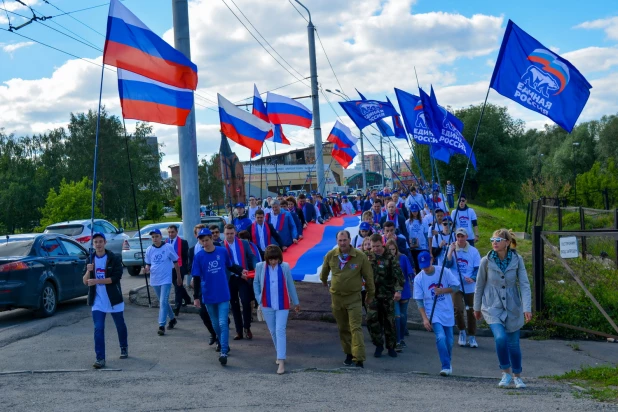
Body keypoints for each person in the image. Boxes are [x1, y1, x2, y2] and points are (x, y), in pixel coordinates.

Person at [474, 229, 532, 389]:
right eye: (492, 239)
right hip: (492, 305)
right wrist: (476, 307)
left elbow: (525, 285)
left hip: (513, 306)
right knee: (500, 338)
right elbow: (479, 285)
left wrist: (527, 308)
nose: (494, 242)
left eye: (498, 240)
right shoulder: (485, 261)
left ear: (507, 243)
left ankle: (517, 376)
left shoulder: (517, 259)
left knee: (513, 344)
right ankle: (506, 372)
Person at [192, 228, 246, 365]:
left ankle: (223, 351)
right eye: (202, 241)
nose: (205, 243)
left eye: (207, 240)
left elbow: (230, 265)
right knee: (215, 324)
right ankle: (222, 343)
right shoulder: (198, 257)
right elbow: (196, 278)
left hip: (223, 293)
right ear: (199, 241)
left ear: (212, 239)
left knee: (223, 322)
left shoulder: (221, 251)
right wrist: (196, 297)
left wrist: (241, 271)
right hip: (208, 294)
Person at [320, 230, 374, 368]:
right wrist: (325, 281)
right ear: (337, 242)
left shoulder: (360, 256)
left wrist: (370, 295)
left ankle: (359, 358)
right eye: (340, 241)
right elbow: (324, 273)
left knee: (355, 327)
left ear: (350, 240)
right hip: (337, 298)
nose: (342, 243)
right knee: (343, 328)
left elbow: (368, 277)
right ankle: (349, 354)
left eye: (345, 240)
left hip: (354, 298)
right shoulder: (331, 255)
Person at [253, 245, 300, 375]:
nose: (273, 262)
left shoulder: (285, 267)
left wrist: (296, 302)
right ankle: (280, 354)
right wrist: (259, 300)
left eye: (276, 259)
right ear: (267, 259)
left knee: (280, 330)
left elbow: (290, 284)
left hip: (283, 303)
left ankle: (281, 360)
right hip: (266, 304)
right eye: (271, 259)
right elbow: (256, 283)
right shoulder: (260, 266)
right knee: (273, 331)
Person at [83, 232, 127, 369]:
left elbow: (115, 278)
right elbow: (85, 281)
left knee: (120, 325)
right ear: (93, 244)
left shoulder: (113, 258)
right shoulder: (90, 259)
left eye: (100, 241)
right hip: (98, 301)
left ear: (105, 243)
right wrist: (88, 271)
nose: (98, 244)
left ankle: (124, 346)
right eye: (96, 242)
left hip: (113, 299)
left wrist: (97, 280)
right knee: (98, 328)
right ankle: (100, 358)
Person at [413, 251, 460, 376]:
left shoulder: (443, 271)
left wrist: (443, 290)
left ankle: (448, 363)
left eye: (427, 265)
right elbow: (419, 301)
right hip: (433, 312)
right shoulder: (419, 278)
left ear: (431, 260)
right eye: (422, 266)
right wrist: (425, 319)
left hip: (447, 310)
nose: (425, 268)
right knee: (441, 337)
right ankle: (445, 365)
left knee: (449, 341)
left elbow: (456, 286)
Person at [366, 234, 404, 358]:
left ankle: (391, 347)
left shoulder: (389, 257)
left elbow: (398, 276)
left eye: (377, 246)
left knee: (389, 322)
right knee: (372, 320)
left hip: (387, 295)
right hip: (373, 295)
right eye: (373, 246)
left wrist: (398, 291)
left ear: (382, 243)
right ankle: (378, 345)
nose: (375, 249)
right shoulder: (367, 257)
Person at [444, 228, 481, 348]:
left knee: (471, 310)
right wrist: (450, 251)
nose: (460, 239)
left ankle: (472, 335)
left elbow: (477, 268)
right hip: (456, 286)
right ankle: (462, 331)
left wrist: (473, 278)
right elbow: (447, 264)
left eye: (462, 236)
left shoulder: (473, 251)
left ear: (466, 237)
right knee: (457, 309)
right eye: (458, 236)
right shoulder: (452, 249)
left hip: (469, 287)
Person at [223, 224, 258, 340]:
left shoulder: (243, 243)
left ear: (235, 233)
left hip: (244, 277)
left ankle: (247, 327)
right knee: (234, 305)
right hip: (230, 278)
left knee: (246, 301)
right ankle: (239, 331)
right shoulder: (221, 246)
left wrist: (255, 267)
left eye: (231, 233)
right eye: (227, 233)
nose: (229, 236)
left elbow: (251, 256)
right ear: (224, 234)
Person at [144, 229, 182, 336]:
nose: (155, 239)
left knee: (163, 301)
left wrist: (179, 277)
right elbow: (148, 264)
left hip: (166, 279)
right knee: (164, 302)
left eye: (156, 236)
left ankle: (161, 325)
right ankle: (173, 319)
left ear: (161, 237)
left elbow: (176, 262)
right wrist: (146, 269)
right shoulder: (149, 250)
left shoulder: (168, 247)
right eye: (153, 237)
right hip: (155, 279)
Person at [189, 224, 217, 346]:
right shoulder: (192, 251)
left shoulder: (218, 247)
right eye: (200, 236)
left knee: (217, 314)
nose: (204, 241)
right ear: (196, 236)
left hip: (215, 284)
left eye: (206, 238)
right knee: (203, 312)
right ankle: (213, 333)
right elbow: (191, 267)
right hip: (201, 285)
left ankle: (221, 340)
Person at [385, 239, 414, 352]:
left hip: (404, 291)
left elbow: (410, 273)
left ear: (396, 249)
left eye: (393, 249)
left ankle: (401, 338)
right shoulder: (385, 260)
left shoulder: (403, 258)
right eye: (389, 249)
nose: (391, 251)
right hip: (392, 292)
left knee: (403, 317)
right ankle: (396, 340)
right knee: (397, 316)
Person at [166, 224, 191, 317]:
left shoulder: (183, 242)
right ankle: (187, 299)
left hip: (180, 267)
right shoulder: (166, 242)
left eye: (172, 232)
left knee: (177, 287)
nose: (171, 234)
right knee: (178, 285)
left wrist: (186, 268)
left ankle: (177, 307)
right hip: (170, 268)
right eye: (169, 232)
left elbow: (185, 257)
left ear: (176, 232)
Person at [406, 204, 427, 273]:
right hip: (413, 247)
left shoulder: (424, 221)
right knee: (416, 265)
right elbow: (407, 233)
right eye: (413, 211)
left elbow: (426, 234)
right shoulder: (408, 222)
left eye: (416, 211)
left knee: (423, 265)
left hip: (422, 246)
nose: (414, 213)